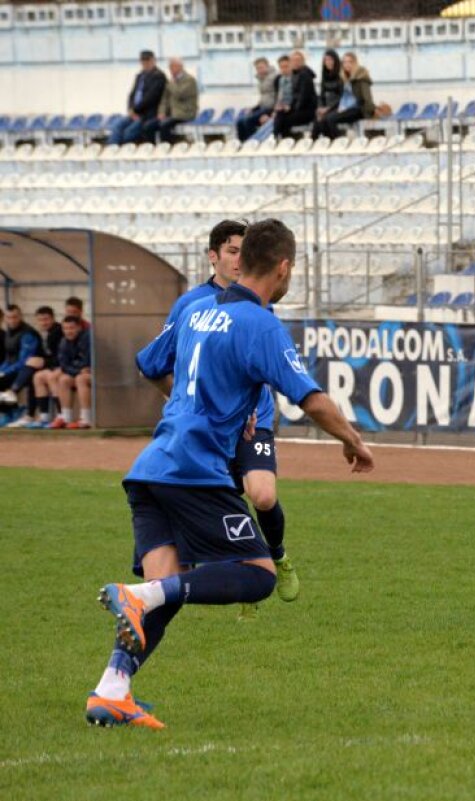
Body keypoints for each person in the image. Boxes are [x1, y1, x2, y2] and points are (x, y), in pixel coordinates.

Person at [83, 219, 374, 730]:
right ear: (283, 268)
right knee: (257, 577)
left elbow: (161, 366)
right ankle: (142, 597)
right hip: (194, 471)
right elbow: (311, 399)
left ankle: (111, 691)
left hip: (152, 467)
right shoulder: (259, 324)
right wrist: (353, 441)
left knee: (166, 591)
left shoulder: (197, 310)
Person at [136, 219, 301, 619]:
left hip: (251, 419)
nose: (239, 260)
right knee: (199, 534)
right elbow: (153, 363)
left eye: (245, 253)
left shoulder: (261, 302)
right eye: (231, 252)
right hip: (201, 431)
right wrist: (189, 402)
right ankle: (238, 577)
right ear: (214, 256)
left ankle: (275, 558)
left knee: (261, 493)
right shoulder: (191, 305)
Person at [7, 306, 62, 428]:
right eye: (40, 320)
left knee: (43, 375)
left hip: (61, 367)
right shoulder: (41, 332)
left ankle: (61, 416)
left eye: (46, 319)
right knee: (35, 375)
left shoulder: (58, 332)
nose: (44, 322)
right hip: (49, 366)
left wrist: (44, 362)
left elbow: (61, 357)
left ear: (53, 318)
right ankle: (41, 417)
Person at [108, 50, 167, 146]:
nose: (145, 63)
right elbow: (132, 95)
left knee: (128, 133)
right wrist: (131, 109)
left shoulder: (159, 76)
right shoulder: (140, 76)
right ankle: (112, 150)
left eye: (148, 61)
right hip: (135, 113)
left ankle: (124, 151)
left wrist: (135, 110)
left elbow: (150, 98)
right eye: (143, 61)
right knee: (117, 126)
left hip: (147, 115)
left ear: (153, 60)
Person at [312, 52, 374, 139]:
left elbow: (366, 99)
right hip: (345, 108)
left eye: (350, 62)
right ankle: (329, 141)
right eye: (345, 62)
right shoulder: (344, 77)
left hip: (358, 109)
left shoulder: (361, 77)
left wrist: (369, 114)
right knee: (323, 119)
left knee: (330, 118)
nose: (347, 64)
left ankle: (338, 141)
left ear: (355, 63)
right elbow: (343, 98)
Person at [141, 57, 197, 144]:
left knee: (164, 126)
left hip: (184, 113)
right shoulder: (171, 82)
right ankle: (153, 147)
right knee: (148, 126)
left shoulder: (189, 80)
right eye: (170, 67)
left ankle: (168, 146)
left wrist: (172, 82)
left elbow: (179, 93)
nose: (171, 70)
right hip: (171, 114)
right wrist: (161, 112)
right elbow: (164, 100)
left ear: (180, 67)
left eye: (172, 67)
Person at [51, 315, 91, 430]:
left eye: (71, 328)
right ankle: (66, 417)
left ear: (79, 327)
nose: (68, 331)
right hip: (79, 371)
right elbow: (64, 365)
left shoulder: (87, 338)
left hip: (99, 372)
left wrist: (79, 370)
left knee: (80, 379)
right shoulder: (63, 341)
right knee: (64, 379)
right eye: (65, 328)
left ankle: (86, 419)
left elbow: (87, 362)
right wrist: (78, 370)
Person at [0, 305, 40, 410]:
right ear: (5, 318)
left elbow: (24, 360)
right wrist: (1, 370)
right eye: (9, 317)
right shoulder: (9, 332)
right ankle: (10, 411)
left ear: (21, 316)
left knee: (2, 380)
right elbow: (9, 357)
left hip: (26, 370)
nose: (12, 320)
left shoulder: (28, 334)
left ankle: (11, 412)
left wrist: (5, 372)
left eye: (15, 317)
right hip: (13, 367)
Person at [273, 51, 317, 139]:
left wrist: (290, 108)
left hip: (306, 110)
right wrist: (281, 107)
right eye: (293, 60)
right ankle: (279, 137)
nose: (296, 62)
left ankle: (286, 138)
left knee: (284, 119)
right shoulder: (290, 76)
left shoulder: (305, 75)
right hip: (295, 108)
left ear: (303, 61)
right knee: (280, 114)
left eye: (298, 60)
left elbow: (303, 98)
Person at [236, 57, 278, 142]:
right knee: (239, 122)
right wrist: (254, 108)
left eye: (261, 67)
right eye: (257, 68)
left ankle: (253, 143)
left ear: (267, 66)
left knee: (248, 121)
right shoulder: (261, 79)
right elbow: (263, 98)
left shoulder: (275, 77)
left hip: (270, 108)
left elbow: (279, 96)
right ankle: (243, 143)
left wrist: (273, 113)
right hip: (263, 107)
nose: (260, 70)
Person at [314, 49, 342, 126]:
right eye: (326, 60)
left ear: (335, 61)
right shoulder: (325, 75)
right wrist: (320, 107)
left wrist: (328, 108)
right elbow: (322, 95)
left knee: (327, 119)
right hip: (326, 107)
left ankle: (335, 137)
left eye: (330, 59)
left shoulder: (341, 75)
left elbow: (342, 97)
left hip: (337, 107)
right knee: (317, 120)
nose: (328, 62)